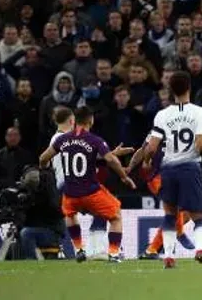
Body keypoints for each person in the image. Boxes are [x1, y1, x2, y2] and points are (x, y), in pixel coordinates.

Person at [143, 71, 202, 269]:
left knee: (170, 214)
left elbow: (151, 147)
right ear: (189, 88)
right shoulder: (200, 112)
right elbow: (201, 145)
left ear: (171, 90)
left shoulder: (162, 115)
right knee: (200, 216)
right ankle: (201, 250)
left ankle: (168, 256)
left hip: (167, 170)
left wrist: (146, 161)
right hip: (189, 168)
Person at [39, 106, 136, 263]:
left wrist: (44, 170)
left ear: (75, 121)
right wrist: (124, 176)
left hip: (69, 192)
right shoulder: (94, 139)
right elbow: (108, 160)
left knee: (70, 215)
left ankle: (79, 249)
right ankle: (111, 253)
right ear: (91, 120)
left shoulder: (61, 139)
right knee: (115, 214)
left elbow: (43, 158)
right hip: (89, 190)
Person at [127, 132, 195, 260]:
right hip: (158, 177)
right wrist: (131, 166)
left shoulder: (184, 129)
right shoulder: (157, 130)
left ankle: (152, 249)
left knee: (184, 215)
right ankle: (179, 233)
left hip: (177, 176)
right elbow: (143, 151)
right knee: (175, 204)